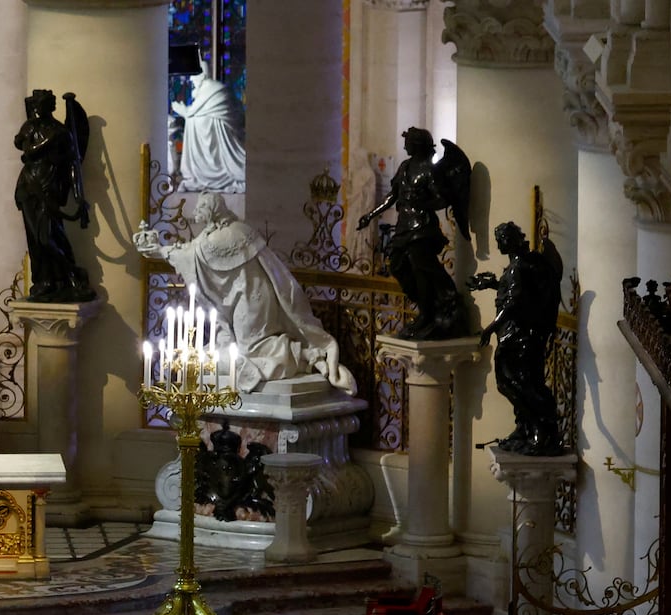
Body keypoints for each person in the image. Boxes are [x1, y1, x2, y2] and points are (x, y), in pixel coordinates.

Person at [134, 193, 354, 394]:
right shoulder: (216, 232)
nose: (195, 212)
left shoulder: (228, 234)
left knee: (250, 350)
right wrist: (160, 249)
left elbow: (191, 255)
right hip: (245, 296)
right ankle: (307, 357)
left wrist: (159, 250)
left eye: (201, 207)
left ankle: (307, 357)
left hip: (253, 298)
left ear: (212, 210)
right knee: (238, 350)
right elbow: (192, 250)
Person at [355, 127, 471, 341]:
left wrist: (424, 203)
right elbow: (392, 196)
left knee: (421, 268)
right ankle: (430, 303)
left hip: (423, 228)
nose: (405, 145)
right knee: (397, 265)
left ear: (417, 145)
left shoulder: (431, 170)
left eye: (408, 142)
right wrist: (370, 215)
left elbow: (442, 199)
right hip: (404, 226)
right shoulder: (405, 167)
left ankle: (431, 311)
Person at [467, 221, 564, 456]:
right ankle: (526, 427)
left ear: (509, 241)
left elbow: (513, 304)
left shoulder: (519, 267)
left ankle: (540, 430)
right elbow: (520, 292)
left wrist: (489, 329)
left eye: (501, 239)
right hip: (520, 334)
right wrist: (492, 283)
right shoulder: (524, 264)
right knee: (518, 382)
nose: (499, 244)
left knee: (517, 382)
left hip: (520, 336)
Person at [14, 89, 94, 303]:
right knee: (35, 240)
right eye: (35, 105)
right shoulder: (30, 126)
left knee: (48, 237)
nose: (36, 109)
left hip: (48, 188)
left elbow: (72, 166)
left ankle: (73, 274)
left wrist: (78, 197)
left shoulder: (60, 132)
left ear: (49, 107)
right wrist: (31, 134)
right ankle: (44, 281)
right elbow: (21, 145)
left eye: (40, 105)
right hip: (28, 186)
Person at [173, 58, 246, 193]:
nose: (191, 80)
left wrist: (184, 112)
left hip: (218, 141)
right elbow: (196, 113)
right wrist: (187, 113)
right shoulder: (209, 89)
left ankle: (211, 174)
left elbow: (194, 114)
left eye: (193, 77)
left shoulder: (210, 89)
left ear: (202, 74)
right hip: (212, 142)